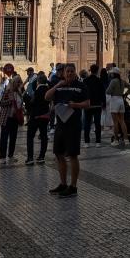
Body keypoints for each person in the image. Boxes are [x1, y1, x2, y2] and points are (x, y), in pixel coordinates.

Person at [45, 62, 90, 197]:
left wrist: (74, 105)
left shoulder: (81, 86)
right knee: (59, 154)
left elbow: (87, 104)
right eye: (67, 71)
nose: (69, 73)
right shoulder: (59, 86)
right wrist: (58, 85)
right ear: (64, 73)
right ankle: (63, 183)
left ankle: (73, 186)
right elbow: (46, 97)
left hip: (73, 125)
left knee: (73, 155)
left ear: (75, 72)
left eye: (71, 71)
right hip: (60, 124)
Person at [26, 71, 50, 165]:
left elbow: (32, 103)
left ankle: (30, 158)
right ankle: (41, 157)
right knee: (44, 136)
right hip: (45, 116)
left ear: (38, 82)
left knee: (30, 136)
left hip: (35, 117)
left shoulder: (37, 91)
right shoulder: (48, 90)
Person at [0, 74, 24, 165]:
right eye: (17, 82)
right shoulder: (8, 92)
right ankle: (2, 157)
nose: (19, 84)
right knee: (4, 138)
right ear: (13, 82)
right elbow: (1, 103)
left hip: (15, 118)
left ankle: (10, 155)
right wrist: (10, 101)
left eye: (20, 82)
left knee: (13, 137)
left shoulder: (19, 92)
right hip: (7, 117)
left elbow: (20, 104)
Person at [83, 64, 105, 147]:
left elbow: (83, 92)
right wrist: (104, 103)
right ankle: (98, 142)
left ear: (90, 70)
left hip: (88, 105)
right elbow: (103, 93)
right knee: (97, 123)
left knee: (87, 124)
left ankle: (86, 142)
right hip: (97, 105)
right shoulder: (99, 81)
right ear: (97, 71)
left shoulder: (85, 81)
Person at [106, 67, 129, 146]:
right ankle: (126, 139)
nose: (111, 74)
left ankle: (116, 140)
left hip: (114, 100)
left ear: (114, 74)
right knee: (122, 121)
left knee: (115, 122)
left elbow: (108, 91)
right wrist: (126, 94)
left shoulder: (113, 81)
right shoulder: (122, 81)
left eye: (112, 73)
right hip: (121, 100)